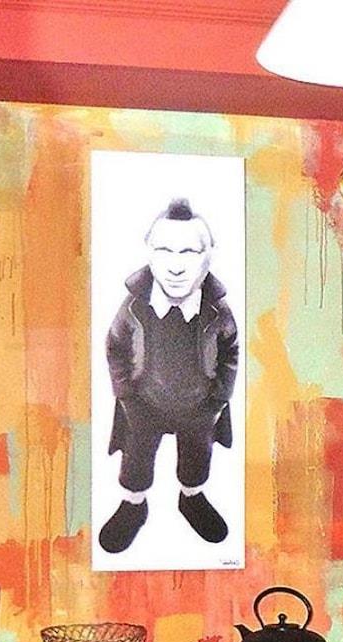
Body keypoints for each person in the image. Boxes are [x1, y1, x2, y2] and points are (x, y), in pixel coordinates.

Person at [98, 197, 240, 555]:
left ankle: (191, 498)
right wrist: (127, 395)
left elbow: (231, 350)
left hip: (199, 406)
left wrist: (218, 399)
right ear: (149, 252)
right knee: (136, 459)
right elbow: (114, 346)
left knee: (196, 458)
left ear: (209, 256)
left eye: (189, 251)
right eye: (165, 250)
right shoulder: (133, 306)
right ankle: (133, 504)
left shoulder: (217, 310)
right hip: (144, 404)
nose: (176, 266)